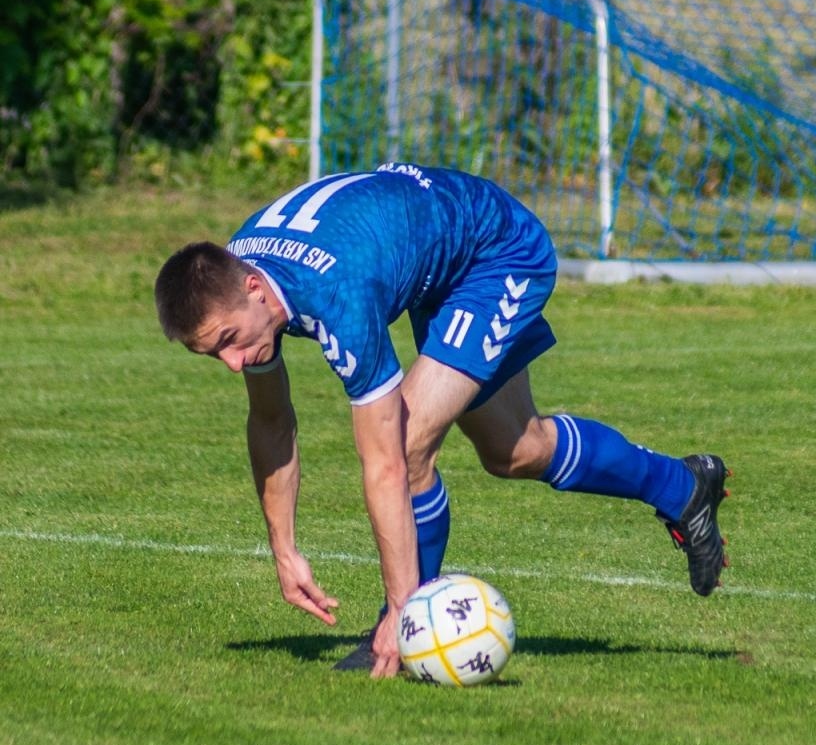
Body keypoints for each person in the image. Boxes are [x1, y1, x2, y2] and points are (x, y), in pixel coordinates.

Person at [154, 163, 730, 679]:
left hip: (495, 252)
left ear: (255, 289)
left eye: (229, 341)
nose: (233, 363)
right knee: (516, 450)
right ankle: (682, 486)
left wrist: (400, 608)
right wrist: (284, 548)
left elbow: (385, 465)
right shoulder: (240, 285)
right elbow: (271, 421)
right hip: (435, 260)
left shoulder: (337, 294)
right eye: (214, 354)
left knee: (405, 445)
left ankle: (406, 629)